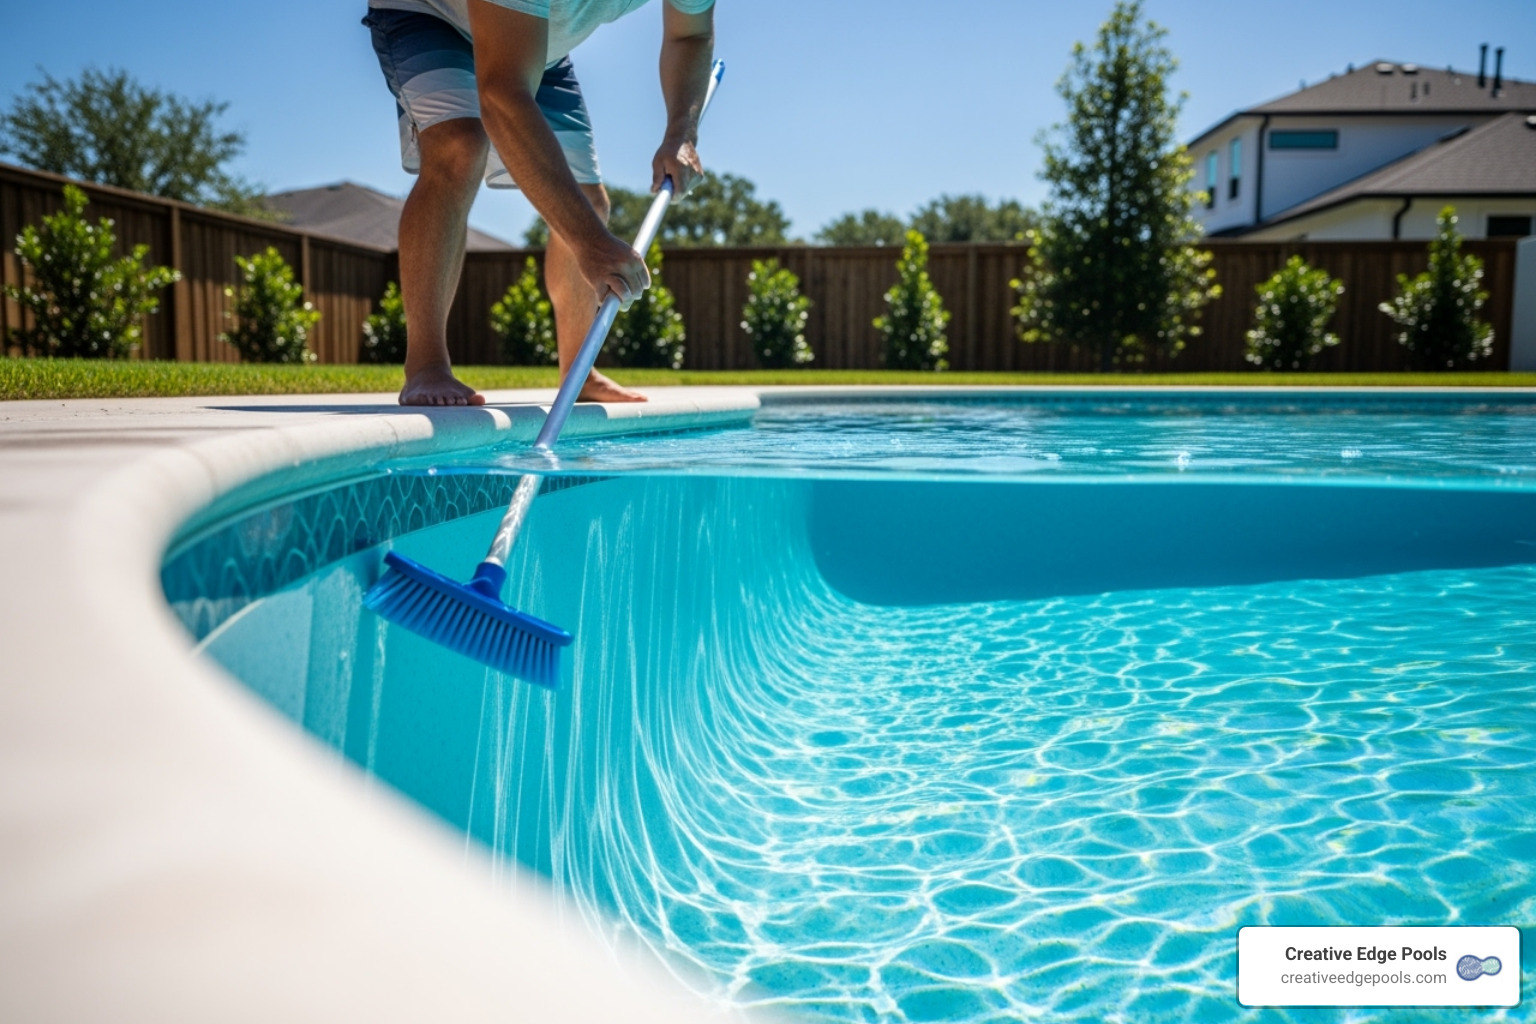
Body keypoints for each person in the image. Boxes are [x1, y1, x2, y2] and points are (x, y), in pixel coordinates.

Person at [362, 0, 716, 406]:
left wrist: (681, 132)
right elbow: (501, 94)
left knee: (587, 201)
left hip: (536, 42)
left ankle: (579, 372)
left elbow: (691, 33)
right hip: (431, 13)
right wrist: (591, 244)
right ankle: (426, 365)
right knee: (460, 145)